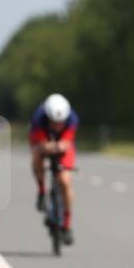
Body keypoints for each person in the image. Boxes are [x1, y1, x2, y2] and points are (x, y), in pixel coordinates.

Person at [29, 94, 79, 245]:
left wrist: (61, 145)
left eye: (60, 123)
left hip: (63, 142)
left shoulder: (72, 118)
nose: (57, 126)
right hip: (43, 138)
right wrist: (46, 146)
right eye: (54, 122)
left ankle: (67, 225)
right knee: (38, 156)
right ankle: (42, 190)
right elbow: (39, 142)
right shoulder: (38, 117)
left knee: (64, 180)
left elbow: (67, 141)